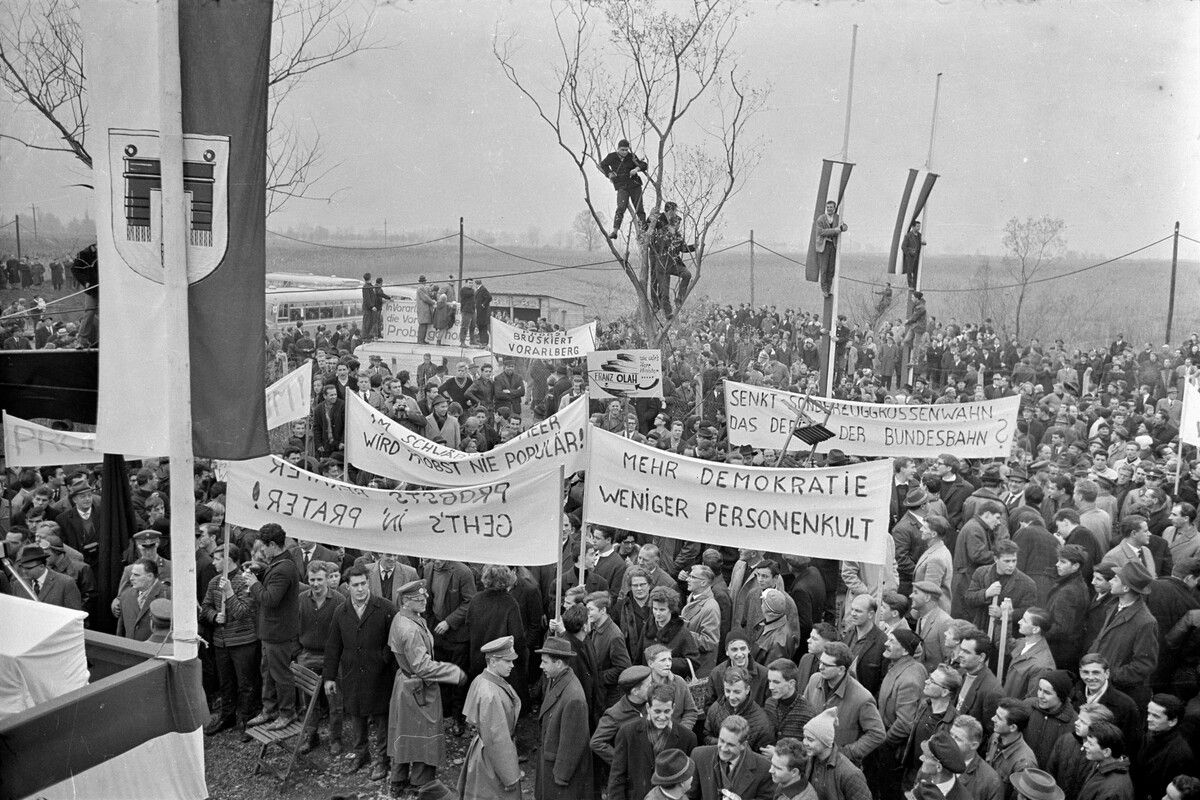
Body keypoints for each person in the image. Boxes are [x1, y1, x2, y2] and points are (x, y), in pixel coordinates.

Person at [386, 578, 466, 796]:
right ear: (406, 601)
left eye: (424, 598)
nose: (424, 602)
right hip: (418, 688)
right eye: (419, 599)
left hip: (406, 684)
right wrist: (453, 672)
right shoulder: (410, 629)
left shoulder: (403, 618)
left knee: (402, 732)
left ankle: (398, 779)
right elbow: (422, 666)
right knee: (423, 733)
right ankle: (421, 784)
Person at [322, 565, 395, 781]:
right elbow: (333, 646)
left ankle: (382, 760)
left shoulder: (385, 608)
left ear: (369, 583)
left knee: (381, 718)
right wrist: (329, 677)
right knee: (356, 715)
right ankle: (361, 754)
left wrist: (384, 658)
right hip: (352, 674)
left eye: (364, 584)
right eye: (356, 585)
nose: (360, 589)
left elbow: (396, 640)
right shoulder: (341, 612)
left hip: (380, 675)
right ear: (348, 587)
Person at [243, 524, 301, 731]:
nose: (262, 553)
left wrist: (253, 583)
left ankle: (287, 712)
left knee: (280, 673)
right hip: (270, 631)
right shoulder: (279, 563)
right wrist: (261, 572)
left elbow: (270, 599)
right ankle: (269, 709)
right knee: (267, 671)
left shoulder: (283, 568)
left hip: (278, 633)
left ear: (273, 545)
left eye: (263, 548)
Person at [200, 543, 259, 737]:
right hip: (221, 642)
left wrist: (229, 592)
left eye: (218, 559)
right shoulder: (214, 581)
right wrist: (214, 616)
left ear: (229, 560)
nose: (214, 562)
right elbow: (206, 607)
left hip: (243, 641)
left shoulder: (246, 582)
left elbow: (242, 612)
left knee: (245, 683)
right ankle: (228, 715)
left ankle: (246, 718)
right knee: (225, 682)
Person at [458, 635, 523, 800]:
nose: (512, 665)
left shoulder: (482, 679)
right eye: (507, 661)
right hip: (493, 759)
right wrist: (510, 776)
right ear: (493, 661)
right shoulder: (491, 694)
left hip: (484, 754)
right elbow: (497, 739)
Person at [1088, 560, 1159, 708]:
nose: (1111, 581)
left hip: (1117, 693)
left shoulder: (1146, 622)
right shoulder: (1114, 607)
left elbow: (1143, 665)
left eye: (1116, 579)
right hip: (1100, 685)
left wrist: (1108, 675)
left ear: (1126, 588)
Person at [607, 684, 697, 800]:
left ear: (673, 708)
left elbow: (691, 782)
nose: (662, 716)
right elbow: (617, 778)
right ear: (648, 708)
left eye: (667, 711)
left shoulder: (688, 738)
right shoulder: (627, 733)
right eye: (657, 711)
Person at [802, 641, 886, 766]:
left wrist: (845, 753)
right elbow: (803, 712)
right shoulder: (814, 680)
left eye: (826, 665)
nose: (820, 667)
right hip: (810, 759)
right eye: (821, 662)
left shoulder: (862, 697)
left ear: (841, 669)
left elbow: (877, 734)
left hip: (838, 766)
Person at [535, 636, 593, 800]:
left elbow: (572, 744)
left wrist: (561, 777)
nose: (541, 666)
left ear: (559, 663)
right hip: (551, 766)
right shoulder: (556, 680)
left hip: (560, 776)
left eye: (545, 662)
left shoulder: (573, 697)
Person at [297, 559, 346, 755]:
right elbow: (293, 625)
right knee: (309, 701)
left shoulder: (339, 600)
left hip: (332, 657)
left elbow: (345, 630)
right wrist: (297, 651)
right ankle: (312, 736)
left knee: (335, 701)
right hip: (307, 655)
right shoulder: (301, 599)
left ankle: (335, 738)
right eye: (312, 579)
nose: (315, 584)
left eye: (319, 579)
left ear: (327, 579)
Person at [874, 629, 928, 800]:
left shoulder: (909, 679)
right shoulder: (901, 666)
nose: (885, 643)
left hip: (892, 750)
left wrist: (884, 743)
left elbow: (905, 723)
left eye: (892, 641)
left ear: (905, 651)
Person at [689, 714, 774, 800]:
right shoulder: (699, 755)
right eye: (721, 741)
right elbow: (689, 795)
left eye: (730, 744)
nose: (723, 748)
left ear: (743, 745)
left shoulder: (764, 768)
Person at [801, 707, 872, 800]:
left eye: (810, 739)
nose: (804, 742)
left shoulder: (850, 774)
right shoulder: (809, 760)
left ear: (826, 742)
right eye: (804, 737)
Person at [1135, 694, 1195, 800]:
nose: (1148, 719)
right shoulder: (1151, 735)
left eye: (1156, 716)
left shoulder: (1180, 754)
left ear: (1172, 721)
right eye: (1149, 713)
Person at [986, 698, 1038, 800]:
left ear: (1013, 727)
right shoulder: (995, 737)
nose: (993, 719)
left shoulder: (1024, 763)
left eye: (999, 718)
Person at [1002, 608, 1057, 700]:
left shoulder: (1042, 665)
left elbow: (1031, 701)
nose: (1019, 622)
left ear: (1035, 629)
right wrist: (1005, 619)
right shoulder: (1023, 643)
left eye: (1024, 620)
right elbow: (1005, 644)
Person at [600, 139, 648, 237]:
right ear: (618, 149)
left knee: (639, 208)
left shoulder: (631, 156)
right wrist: (609, 173)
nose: (625, 152)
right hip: (621, 186)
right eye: (622, 150)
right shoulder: (611, 156)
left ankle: (643, 230)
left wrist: (636, 169)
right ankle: (615, 231)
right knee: (620, 208)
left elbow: (644, 165)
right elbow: (603, 164)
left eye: (626, 150)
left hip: (634, 185)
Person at [13, 542, 82, 610]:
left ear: (41, 567)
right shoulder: (18, 584)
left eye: (28, 568)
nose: (24, 571)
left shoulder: (65, 583)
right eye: (22, 567)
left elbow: (75, 613)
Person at [114, 557, 169, 640]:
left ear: (150, 576)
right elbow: (121, 631)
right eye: (132, 574)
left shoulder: (168, 595)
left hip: (157, 650)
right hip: (131, 650)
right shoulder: (126, 595)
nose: (131, 578)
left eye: (136, 575)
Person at [951, 714, 1003, 800]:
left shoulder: (991, 782)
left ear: (974, 745)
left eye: (957, 738)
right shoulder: (936, 760)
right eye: (951, 735)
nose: (950, 741)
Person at [1078, 721, 1134, 800]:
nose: (1084, 745)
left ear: (1106, 752)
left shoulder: (1113, 791)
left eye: (1090, 743)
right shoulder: (1101, 764)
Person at [813, 199, 847, 298]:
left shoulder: (837, 217)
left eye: (831, 207)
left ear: (834, 208)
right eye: (828, 207)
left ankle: (828, 289)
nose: (829, 209)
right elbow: (821, 232)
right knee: (824, 269)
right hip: (824, 246)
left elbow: (843, 226)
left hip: (833, 246)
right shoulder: (821, 219)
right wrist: (835, 230)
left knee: (831, 270)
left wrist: (844, 227)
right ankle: (824, 290)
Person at [901, 220, 926, 291]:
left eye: (919, 226)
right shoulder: (908, 236)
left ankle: (915, 286)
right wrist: (910, 251)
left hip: (918, 257)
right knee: (909, 272)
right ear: (913, 227)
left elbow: (919, 243)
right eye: (917, 226)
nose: (919, 228)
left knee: (916, 272)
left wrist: (923, 243)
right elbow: (903, 247)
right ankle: (910, 285)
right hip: (910, 257)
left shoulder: (920, 235)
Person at [415, 275, 435, 344]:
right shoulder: (420, 288)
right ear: (424, 281)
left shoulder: (422, 288)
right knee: (423, 325)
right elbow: (425, 298)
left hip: (424, 309)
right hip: (423, 309)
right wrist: (432, 302)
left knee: (424, 325)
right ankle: (420, 340)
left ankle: (421, 340)